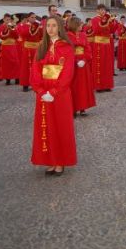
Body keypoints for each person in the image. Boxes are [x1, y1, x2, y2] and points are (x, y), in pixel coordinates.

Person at [30, 15, 77, 176]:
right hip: (43, 92)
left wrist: (54, 92)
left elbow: (67, 73)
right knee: (46, 126)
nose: (50, 29)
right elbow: (35, 70)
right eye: (48, 26)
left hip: (60, 93)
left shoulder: (67, 47)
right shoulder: (41, 46)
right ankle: (50, 160)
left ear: (60, 28)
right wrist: (41, 91)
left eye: (54, 26)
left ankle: (60, 161)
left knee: (60, 127)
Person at [67, 17, 96, 117]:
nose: (81, 26)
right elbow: (67, 51)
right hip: (73, 64)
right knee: (73, 86)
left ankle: (82, 107)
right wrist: (75, 61)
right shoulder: (67, 36)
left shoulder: (83, 35)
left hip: (83, 64)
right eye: (80, 24)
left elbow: (88, 49)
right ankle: (73, 108)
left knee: (83, 86)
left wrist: (84, 60)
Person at [91, 4, 117, 92]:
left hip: (107, 44)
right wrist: (105, 22)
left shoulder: (107, 19)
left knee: (107, 65)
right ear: (97, 11)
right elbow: (96, 30)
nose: (103, 11)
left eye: (104, 10)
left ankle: (107, 85)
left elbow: (112, 30)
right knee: (99, 64)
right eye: (101, 10)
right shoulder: (94, 19)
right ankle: (99, 86)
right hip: (99, 44)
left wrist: (113, 22)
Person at [17, 12, 43, 92]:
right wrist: (33, 28)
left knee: (36, 67)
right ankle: (25, 84)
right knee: (26, 67)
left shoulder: (38, 26)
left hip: (36, 49)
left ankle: (36, 83)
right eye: (32, 17)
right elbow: (23, 34)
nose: (34, 19)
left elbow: (42, 36)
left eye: (35, 17)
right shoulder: (24, 26)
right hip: (27, 49)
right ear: (28, 18)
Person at [0, 14, 20, 85]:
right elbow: (1, 36)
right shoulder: (1, 27)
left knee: (15, 62)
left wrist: (12, 29)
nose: (8, 21)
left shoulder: (13, 26)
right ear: (3, 19)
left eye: (9, 19)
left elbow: (16, 36)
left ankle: (17, 78)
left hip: (13, 46)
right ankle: (8, 79)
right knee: (6, 63)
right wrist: (7, 29)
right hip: (5, 47)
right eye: (7, 19)